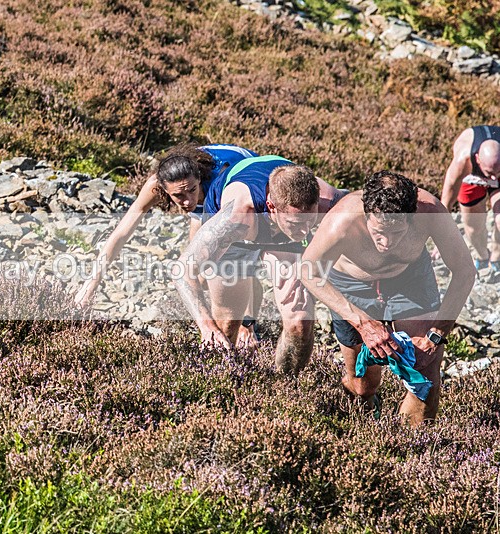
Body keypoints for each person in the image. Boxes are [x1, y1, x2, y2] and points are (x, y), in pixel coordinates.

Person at [301, 171, 475, 424]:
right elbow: (308, 272)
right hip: (352, 284)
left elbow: (465, 271)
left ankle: (411, 448)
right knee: (362, 385)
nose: (386, 242)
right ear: (367, 214)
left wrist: (437, 333)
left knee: (425, 371)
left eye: (397, 233)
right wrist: (363, 323)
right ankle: (363, 433)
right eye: (378, 232)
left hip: (409, 278)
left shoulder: (430, 212)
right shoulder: (343, 219)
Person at [173, 156, 348, 373]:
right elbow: (182, 271)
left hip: (280, 233)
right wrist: (206, 325)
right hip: (238, 236)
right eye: (296, 223)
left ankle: (287, 386)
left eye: (309, 221)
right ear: (271, 206)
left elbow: (366, 208)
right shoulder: (234, 218)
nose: (304, 232)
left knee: (300, 323)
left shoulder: (330, 201)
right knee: (227, 324)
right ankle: (220, 383)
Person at [74, 143, 257, 308]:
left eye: (191, 191)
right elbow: (121, 233)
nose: (187, 201)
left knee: (238, 257)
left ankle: (248, 323)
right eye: (179, 196)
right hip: (207, 190)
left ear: (199, 179)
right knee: (198, 272)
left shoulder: (217, 182)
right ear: (163, 188)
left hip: (244, 176)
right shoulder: (156, 184)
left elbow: (242, 251)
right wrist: (91, 284)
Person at [440, 125, 500, 279]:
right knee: (473, 227)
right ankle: (482, 256)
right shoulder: (463, 160)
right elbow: (447, 199)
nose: (492, 179)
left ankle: (497, 258)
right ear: (478, 159)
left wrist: (495, 173)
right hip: (472, 178)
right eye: (489, 173)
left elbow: (494, 175)